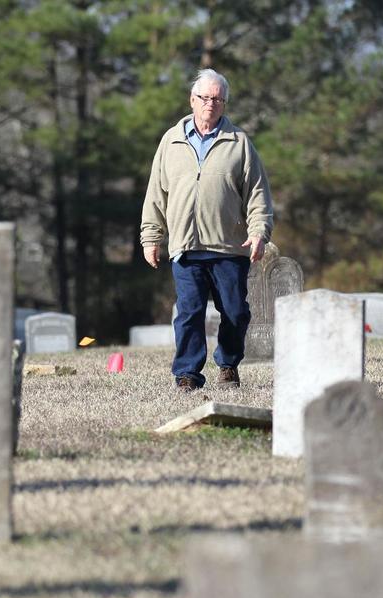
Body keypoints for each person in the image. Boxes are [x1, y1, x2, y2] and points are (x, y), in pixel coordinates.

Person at [140, 68, 274, 391]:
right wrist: (151, 237)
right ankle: (187, 373)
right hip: (185, 246)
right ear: (192, 100)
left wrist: (259, 233)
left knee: (235, 312)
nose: (210, 103)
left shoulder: (239, 143)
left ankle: (228, 363)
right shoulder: (170, 142)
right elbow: (156, 194)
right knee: (189, 312)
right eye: (204, 97)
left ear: (224, 104)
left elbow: (258, 194)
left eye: (217, 99)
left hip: (229, 246)